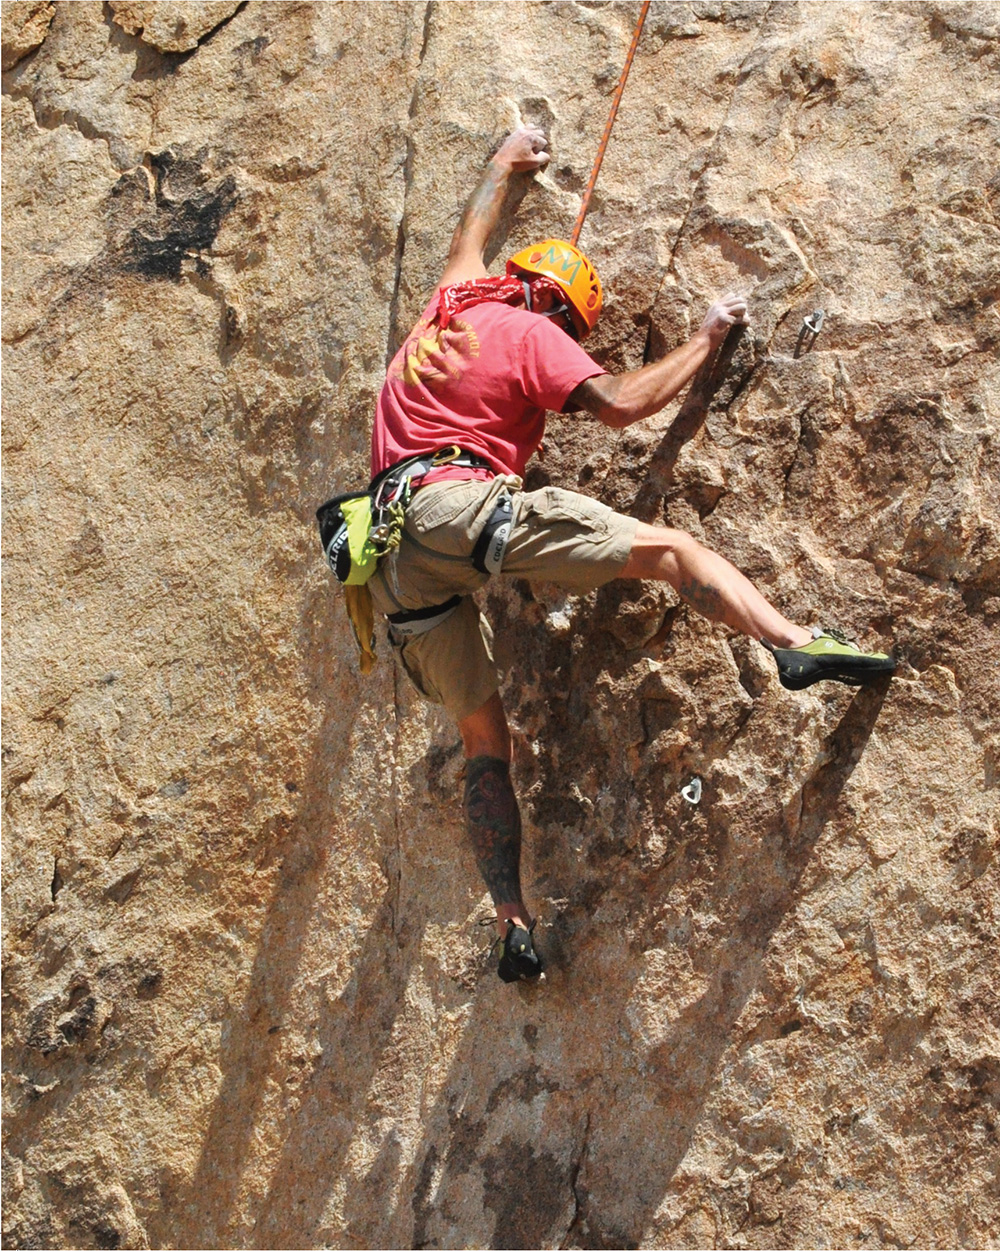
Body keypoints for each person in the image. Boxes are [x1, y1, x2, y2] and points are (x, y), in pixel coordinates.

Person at [367, 127, 894, 983]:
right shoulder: (531, 332)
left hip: (391, 553)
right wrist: (704, 340)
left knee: (481, 737)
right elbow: (616, 404)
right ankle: (793, 643)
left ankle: (511, 922)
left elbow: (473, 226)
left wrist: (510, 159)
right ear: (561, 311)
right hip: (461, 507)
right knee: (672, 551)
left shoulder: (454, 296)